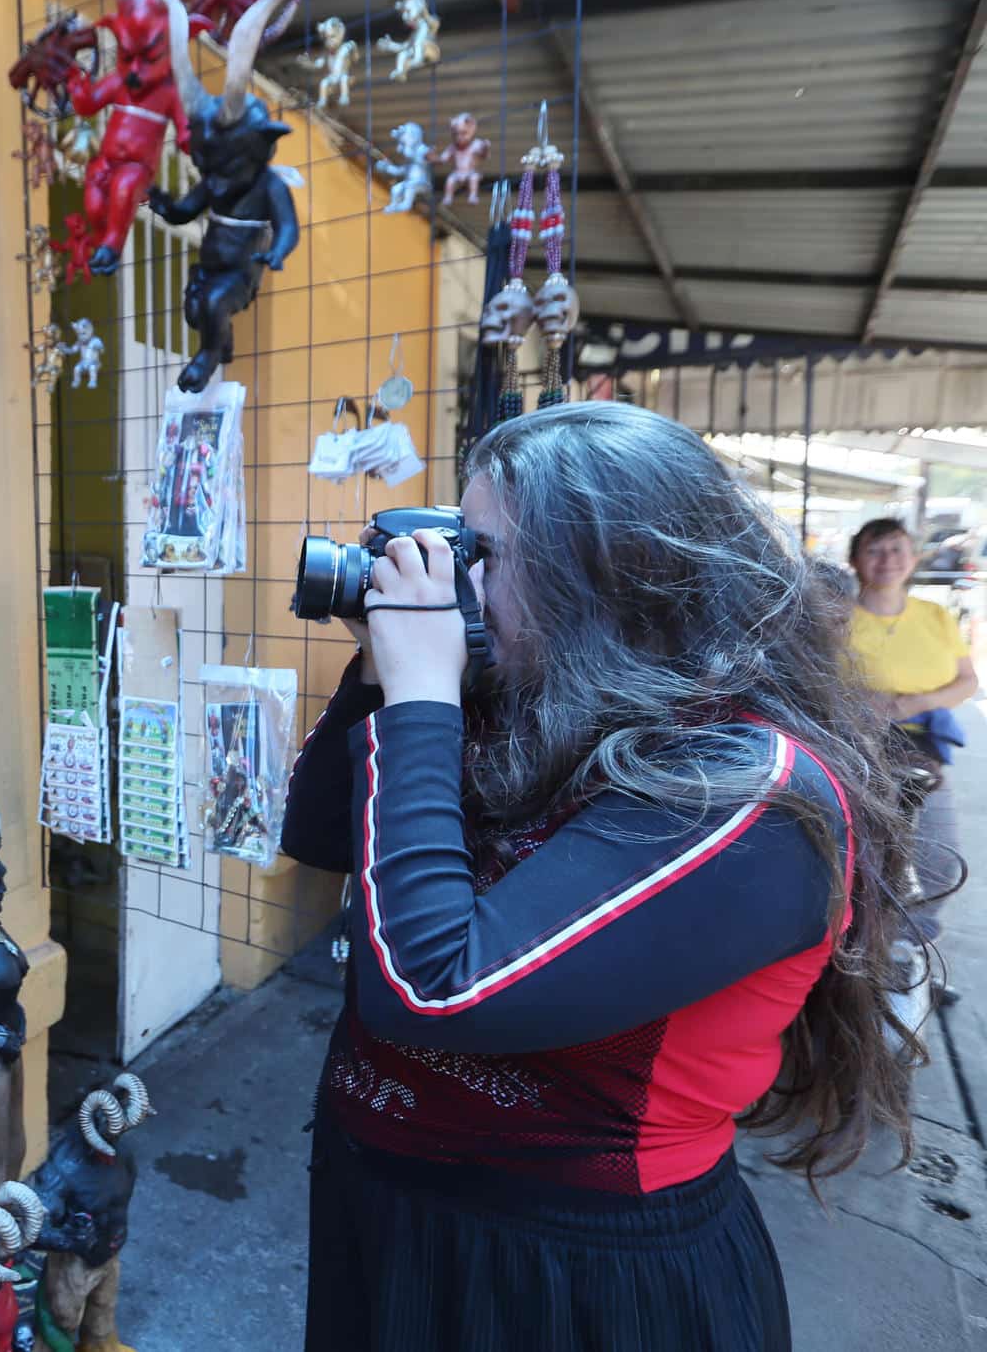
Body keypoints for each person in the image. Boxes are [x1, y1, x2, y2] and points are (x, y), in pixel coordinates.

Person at [283, 403, 919, 1352]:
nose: (457, 579)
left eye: (481, 553)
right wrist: (384, 675)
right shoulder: (546, 698)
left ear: (612, 573)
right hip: (387, 1218)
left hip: (568, 1273)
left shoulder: (753, 796)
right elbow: (323, 833)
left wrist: (421, 695)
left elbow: (432, 986)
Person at [846, 517, 975, 956]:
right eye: (874, 550)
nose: (887, 560)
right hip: (855, 745)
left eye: (897, 549)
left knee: (938, 858)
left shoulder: (935, 615)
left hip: (921, 746)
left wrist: (910, 704)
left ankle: (911, 945)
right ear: (855, 560)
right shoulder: (836, 620)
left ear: (914, 558)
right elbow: (816, 685)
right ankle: (860, 947)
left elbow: (967, 681)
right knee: (866, 857)